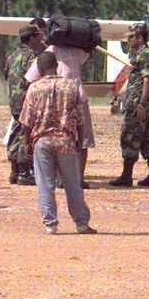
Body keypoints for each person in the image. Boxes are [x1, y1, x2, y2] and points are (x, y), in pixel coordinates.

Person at [19, 50, 96, 234]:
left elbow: (27, 120)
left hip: (43, 142)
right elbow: (79, 117)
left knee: (45, 184)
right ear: (57, 66)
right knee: (72, 184)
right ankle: (81, 224)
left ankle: (51, 224)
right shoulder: (70, 86)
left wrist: (27, 143)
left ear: (40, 68)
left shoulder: (34, 88)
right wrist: (79, 141)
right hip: (66, 142)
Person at [25, 32, 96, 188]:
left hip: (53, 102)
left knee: (54, 138)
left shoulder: (47, 53)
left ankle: (59, 178)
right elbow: (89, 54)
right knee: (82, 141)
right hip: (78, 98)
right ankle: (79, 178)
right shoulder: (75, 51)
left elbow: (30, 78)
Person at [109, 22, 149, 187]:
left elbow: (147, 80)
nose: (129, 40)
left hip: (138, 103)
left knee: (130, 136)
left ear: (140, 38)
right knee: (146, 137)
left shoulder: (144, 54)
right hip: (141, 102)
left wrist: (141, 104)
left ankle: (126, 176)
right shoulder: (142, 54)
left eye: (131, 37)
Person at [4, 25, 46, 185]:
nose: (40, 39)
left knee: (15, 133)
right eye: (38, 36)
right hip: (25, 102)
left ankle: (14, 172)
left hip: (14, 101)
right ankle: (24, 173)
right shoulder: (31, 57)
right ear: (31, 38)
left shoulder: (12, 56)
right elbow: (35, 78)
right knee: (24, 135)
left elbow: (5, 74)